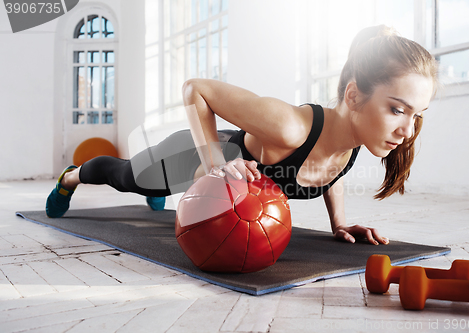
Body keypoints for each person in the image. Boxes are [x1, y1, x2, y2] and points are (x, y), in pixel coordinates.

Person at [45, 25, 438, 245]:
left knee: (150, 188)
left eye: (416, 115)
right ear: (353, 95)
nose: (407, 131)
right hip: (191, 157)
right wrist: (214, 165)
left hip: (215, 176)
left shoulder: (351, 140)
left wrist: (339, 223)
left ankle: (159, 192)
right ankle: (72, 176)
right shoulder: (291, 127)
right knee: (129, 178)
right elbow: (195, 89)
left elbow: (331, 170)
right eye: (397, 109)